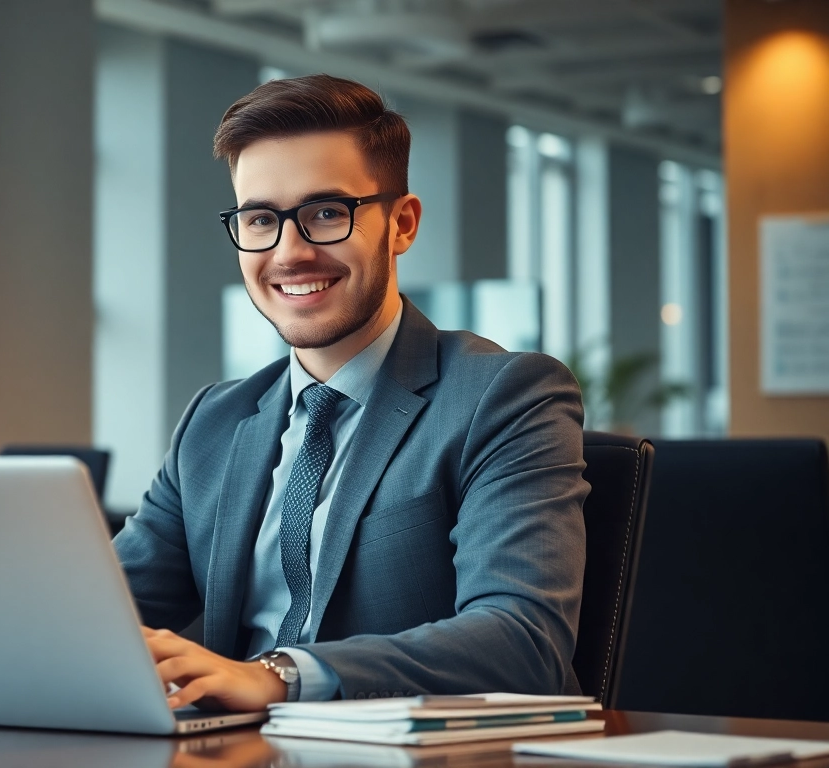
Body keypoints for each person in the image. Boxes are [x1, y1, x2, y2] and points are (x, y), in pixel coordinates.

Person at [111, 74, 589, 712]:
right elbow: (101, 611)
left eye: (327, 213)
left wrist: (279, 675)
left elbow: (524, 641)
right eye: (260, 219)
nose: (290, 251)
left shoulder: (503, 396)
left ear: (402, 223)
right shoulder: (215, 421)